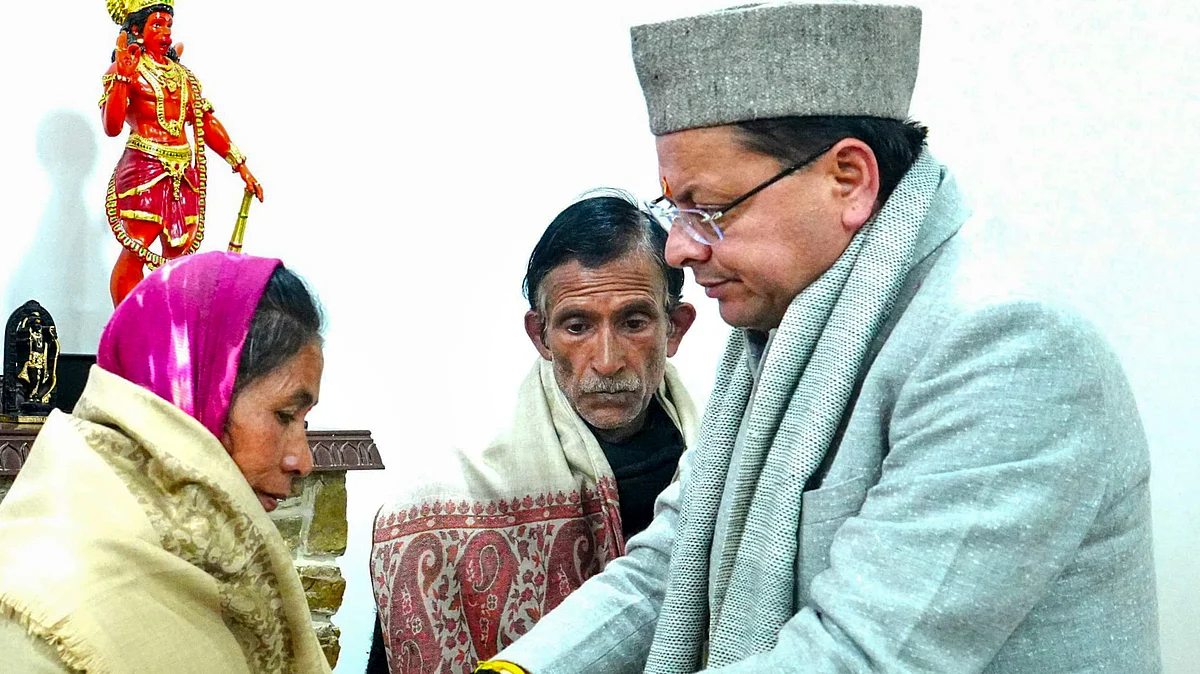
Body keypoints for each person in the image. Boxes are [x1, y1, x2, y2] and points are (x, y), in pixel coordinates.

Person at [478, 3, 1161, 673]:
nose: (679, 249)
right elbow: (669, 568)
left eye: (709, 210)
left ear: (849, 180)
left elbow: (858, 654)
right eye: (674, 210)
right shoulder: (787, 332)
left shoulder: (1006, 349)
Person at [368, 194, 700, 672]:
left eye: (633, 322)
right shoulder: (440, 510)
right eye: (577, 326)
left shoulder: (720, 469)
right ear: (539, 335)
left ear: (676, 327)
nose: (607, 361)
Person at [0, 252, 332, 673]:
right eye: (284, 416)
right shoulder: (43, 609)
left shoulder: (217, 565)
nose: (302, 460)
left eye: (304, 422)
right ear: (196, 393)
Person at [100, 0, 264, 306]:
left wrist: (240, 166)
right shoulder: (128, 70)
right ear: (136, 29)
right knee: (137, 248)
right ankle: (125, 331)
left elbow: (204, 120)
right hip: (144, 169)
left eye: (168, 25)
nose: (164, 33)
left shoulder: (183, 76)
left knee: (179, 255)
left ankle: (170, 329)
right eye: (156, 25)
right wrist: (122, 76)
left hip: (182, 175)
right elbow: (111, 126)